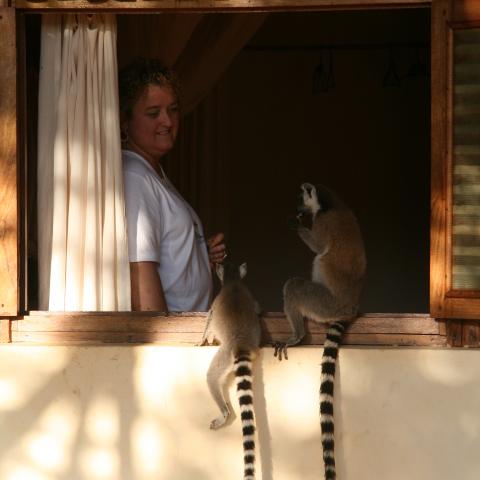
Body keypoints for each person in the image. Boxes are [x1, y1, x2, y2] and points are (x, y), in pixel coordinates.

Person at [119, 57, 226, 312]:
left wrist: (199, 254)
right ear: (124, 121)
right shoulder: (135, 177)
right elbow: (140, 271)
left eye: (173, 109)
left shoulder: (153, 172)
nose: (167, 121)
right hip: (175, 346)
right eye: (153, 113)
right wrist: (163, 347)